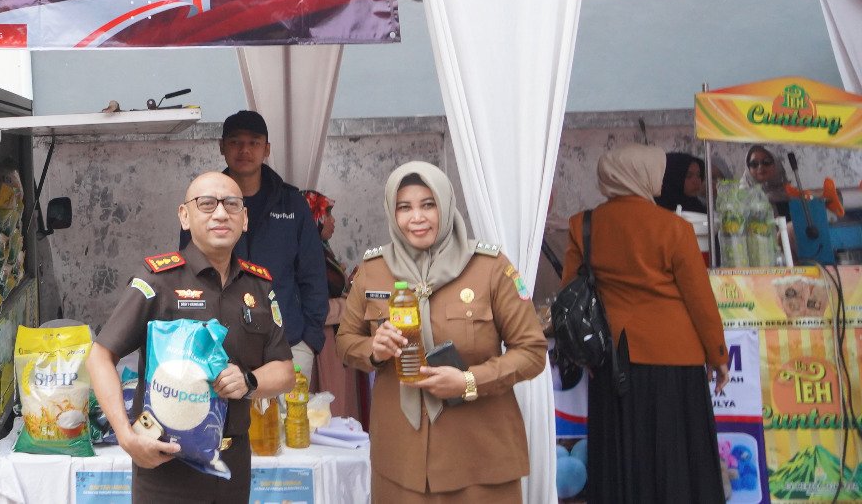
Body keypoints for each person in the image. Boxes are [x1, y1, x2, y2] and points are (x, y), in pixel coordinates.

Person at [339, 162, 546, 502]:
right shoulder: (373, 271)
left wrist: (469, 381)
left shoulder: (490, 268)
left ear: (446, 205)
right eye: (404, 207)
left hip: (479, 459)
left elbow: (532, 351)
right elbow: (346, 342)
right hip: (401, 462)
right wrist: (373, 350)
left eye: (428, 204)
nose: (417, 217)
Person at [89, 172, 296, 503]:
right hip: (167, 468)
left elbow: (285, 371)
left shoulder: (258, 287)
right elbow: (100, 355)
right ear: (184, 216)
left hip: (232, 466)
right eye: (207, 204)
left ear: (244, 219)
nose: (220, 214)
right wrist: (126, 436)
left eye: (231, 204)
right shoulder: (158, 281)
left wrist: (249, 381)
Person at [565, 144, 729, 504]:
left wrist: (581, 354)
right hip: (675, 359)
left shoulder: (583, 225)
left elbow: (569, 295)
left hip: (612, 359)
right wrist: (718, 356)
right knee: (676, 455)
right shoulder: (674, 228)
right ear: (642, 175)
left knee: (621, 456)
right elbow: (700, 301)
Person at [183, 109, 328, 379]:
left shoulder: (292, 204)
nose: (245, 150)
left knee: (287, 409)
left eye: (254, 142)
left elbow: (313, 274)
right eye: (235, 142)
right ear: (222, 147)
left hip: (288, 344)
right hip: (220, 347)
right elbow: (188, 274)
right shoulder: (203, 204)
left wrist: (310, 339)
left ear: (267, 149)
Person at [305, 190, 360, 417]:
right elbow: (312, 305)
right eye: (327, 214)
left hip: (336, 337)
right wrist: (350, 303)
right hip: (322, 342)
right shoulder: (307, 256)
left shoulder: (322, 250)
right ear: (314, 218)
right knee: (329, 407)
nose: (333, 220)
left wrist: (349, 283)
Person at [745, 144, 793, 218]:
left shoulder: (788, 194)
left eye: (766, 162)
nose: (760, 167)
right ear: (748, 169)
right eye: (754, 164)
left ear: (776, 165)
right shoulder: (742, 199)